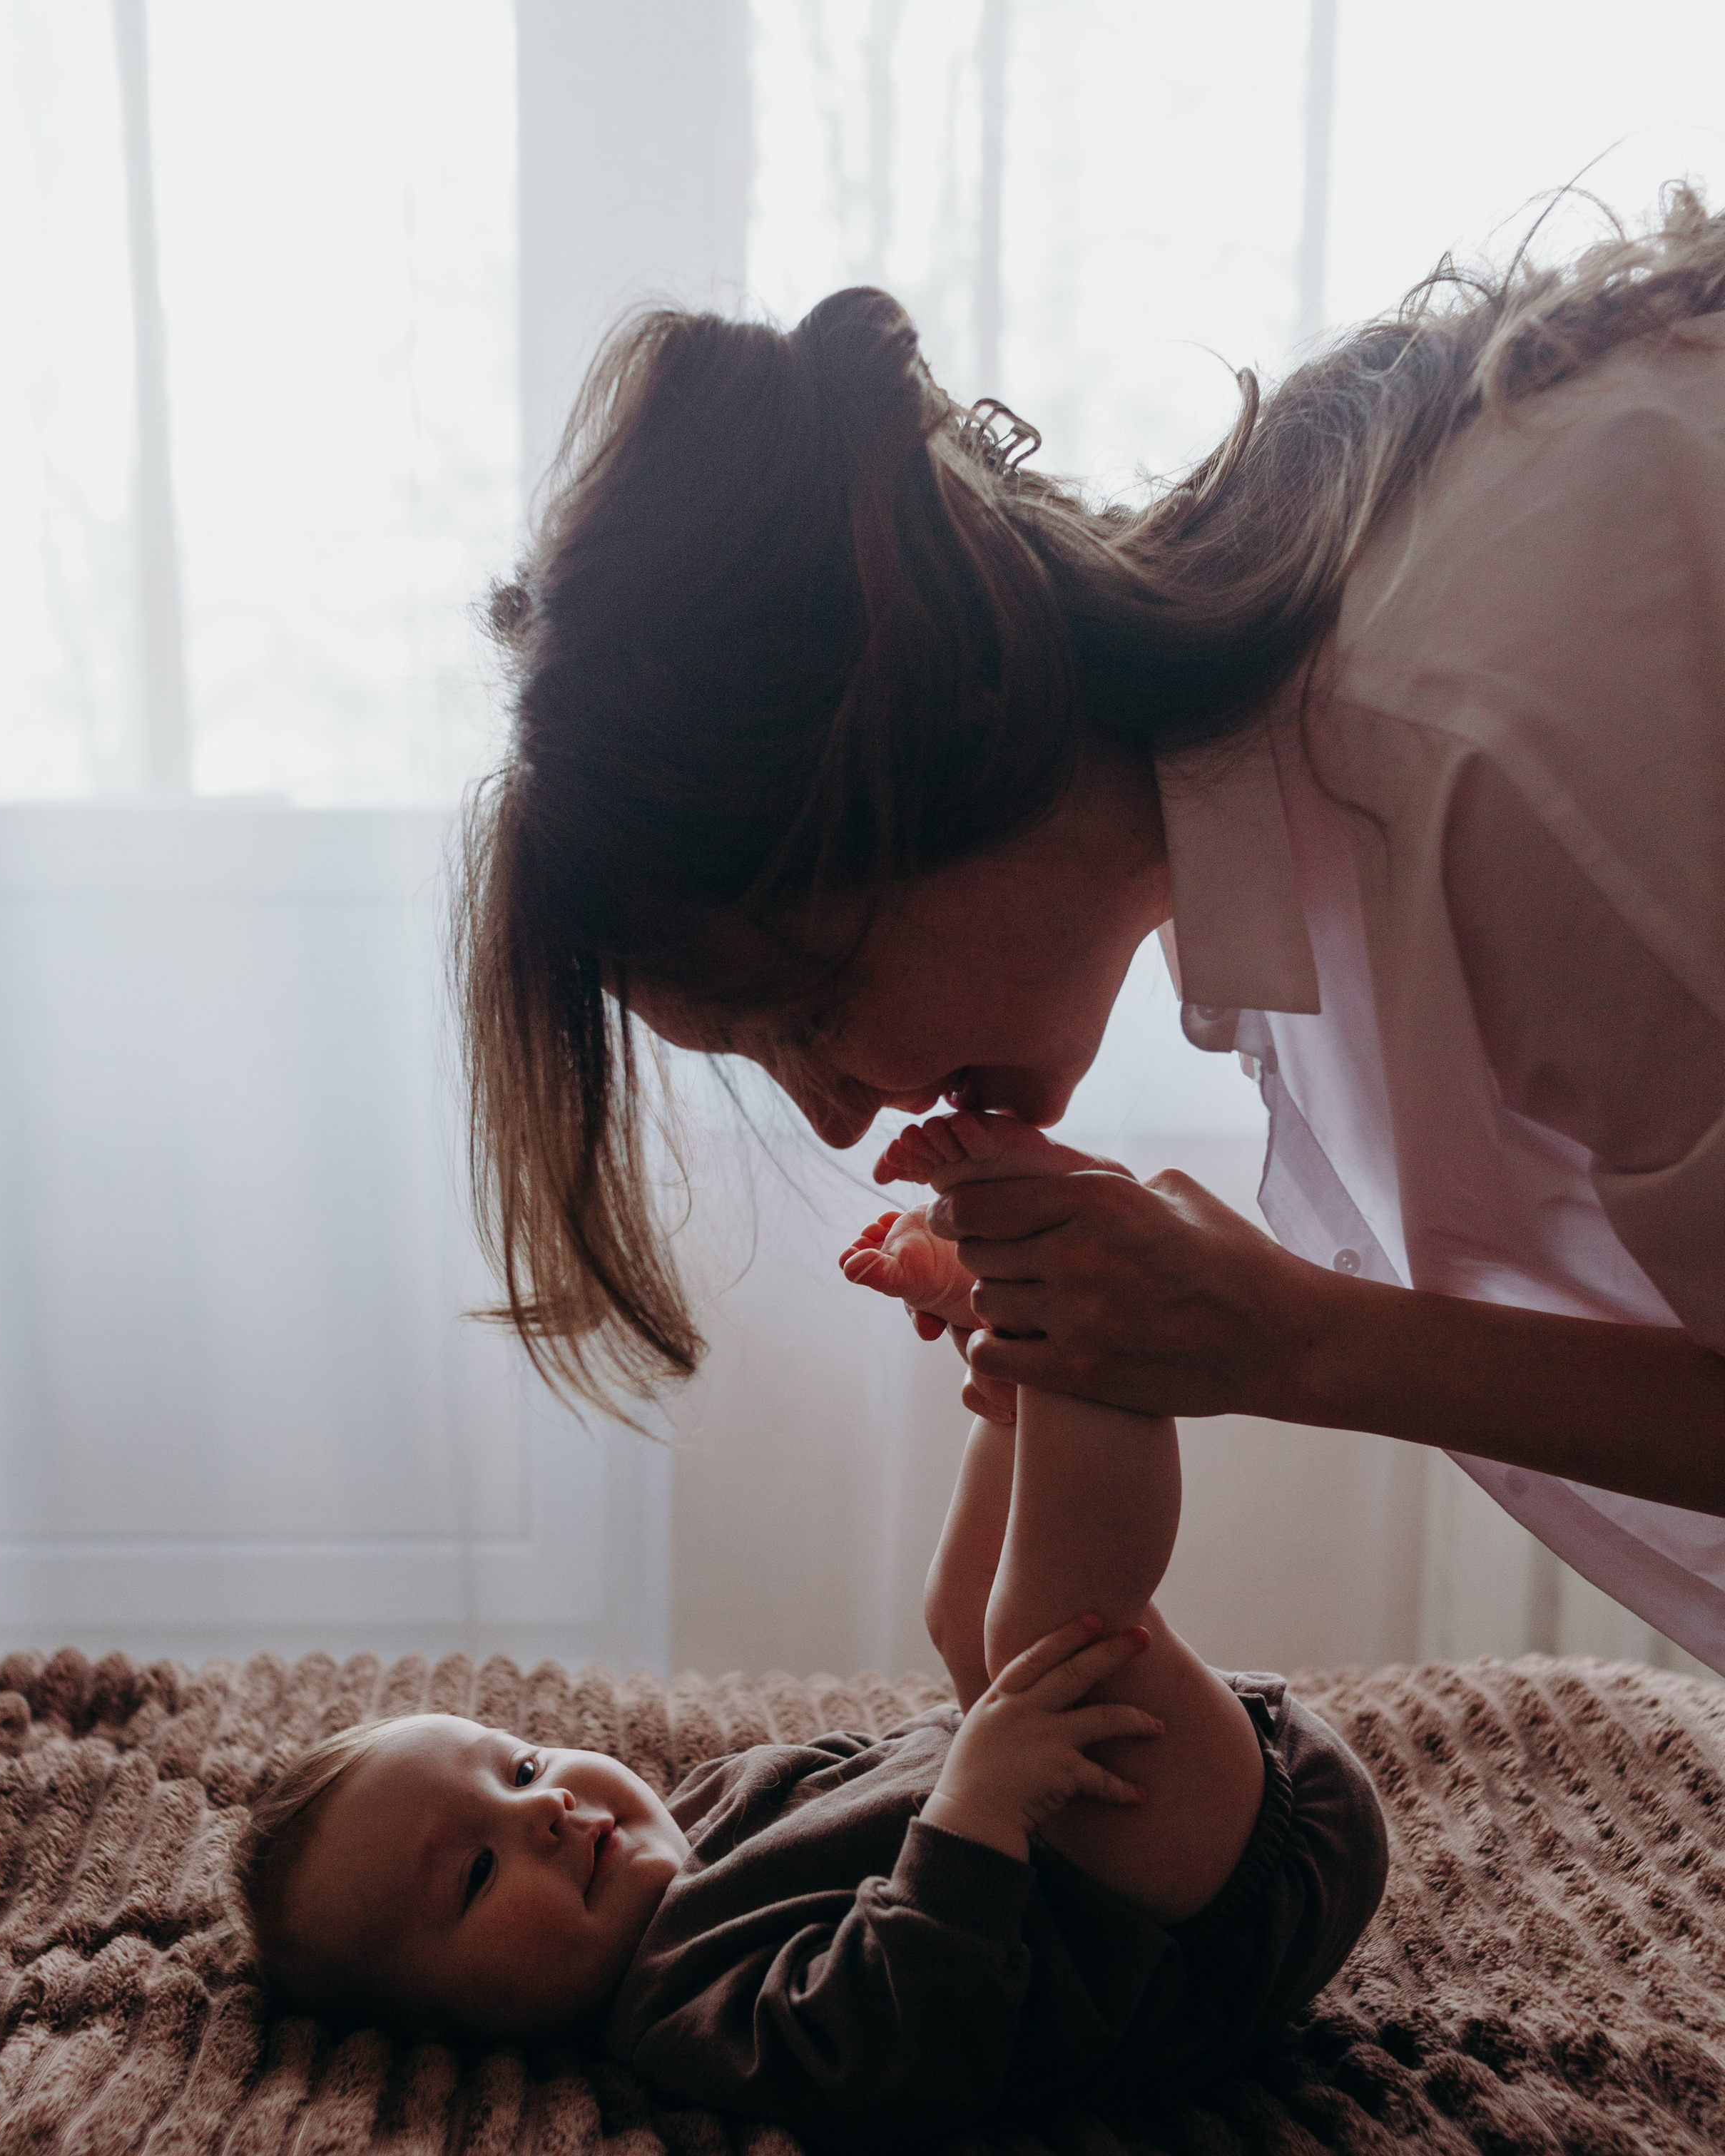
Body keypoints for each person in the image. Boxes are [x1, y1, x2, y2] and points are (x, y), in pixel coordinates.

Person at [456, 193, 1725, 1670]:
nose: (837, 1117)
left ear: (951, 729)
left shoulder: (1472, 748)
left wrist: (1291, 1341)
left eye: (801, 1013)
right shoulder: (1296, 797)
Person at [231, 1112, 1385, 2152]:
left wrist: (982, 1736)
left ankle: (1016, 1370)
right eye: (478, 1871)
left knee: (966, 1623)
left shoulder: (710, 1812)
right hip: (1216, 1920)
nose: (542, 1809)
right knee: (1045, 1626)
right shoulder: (682, 2018)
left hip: (1195, 1792)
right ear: (459, 2038)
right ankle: (1087, 1332)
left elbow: (904, 1760)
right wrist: (979, 1809)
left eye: (521, 1767)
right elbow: (907, 2047)